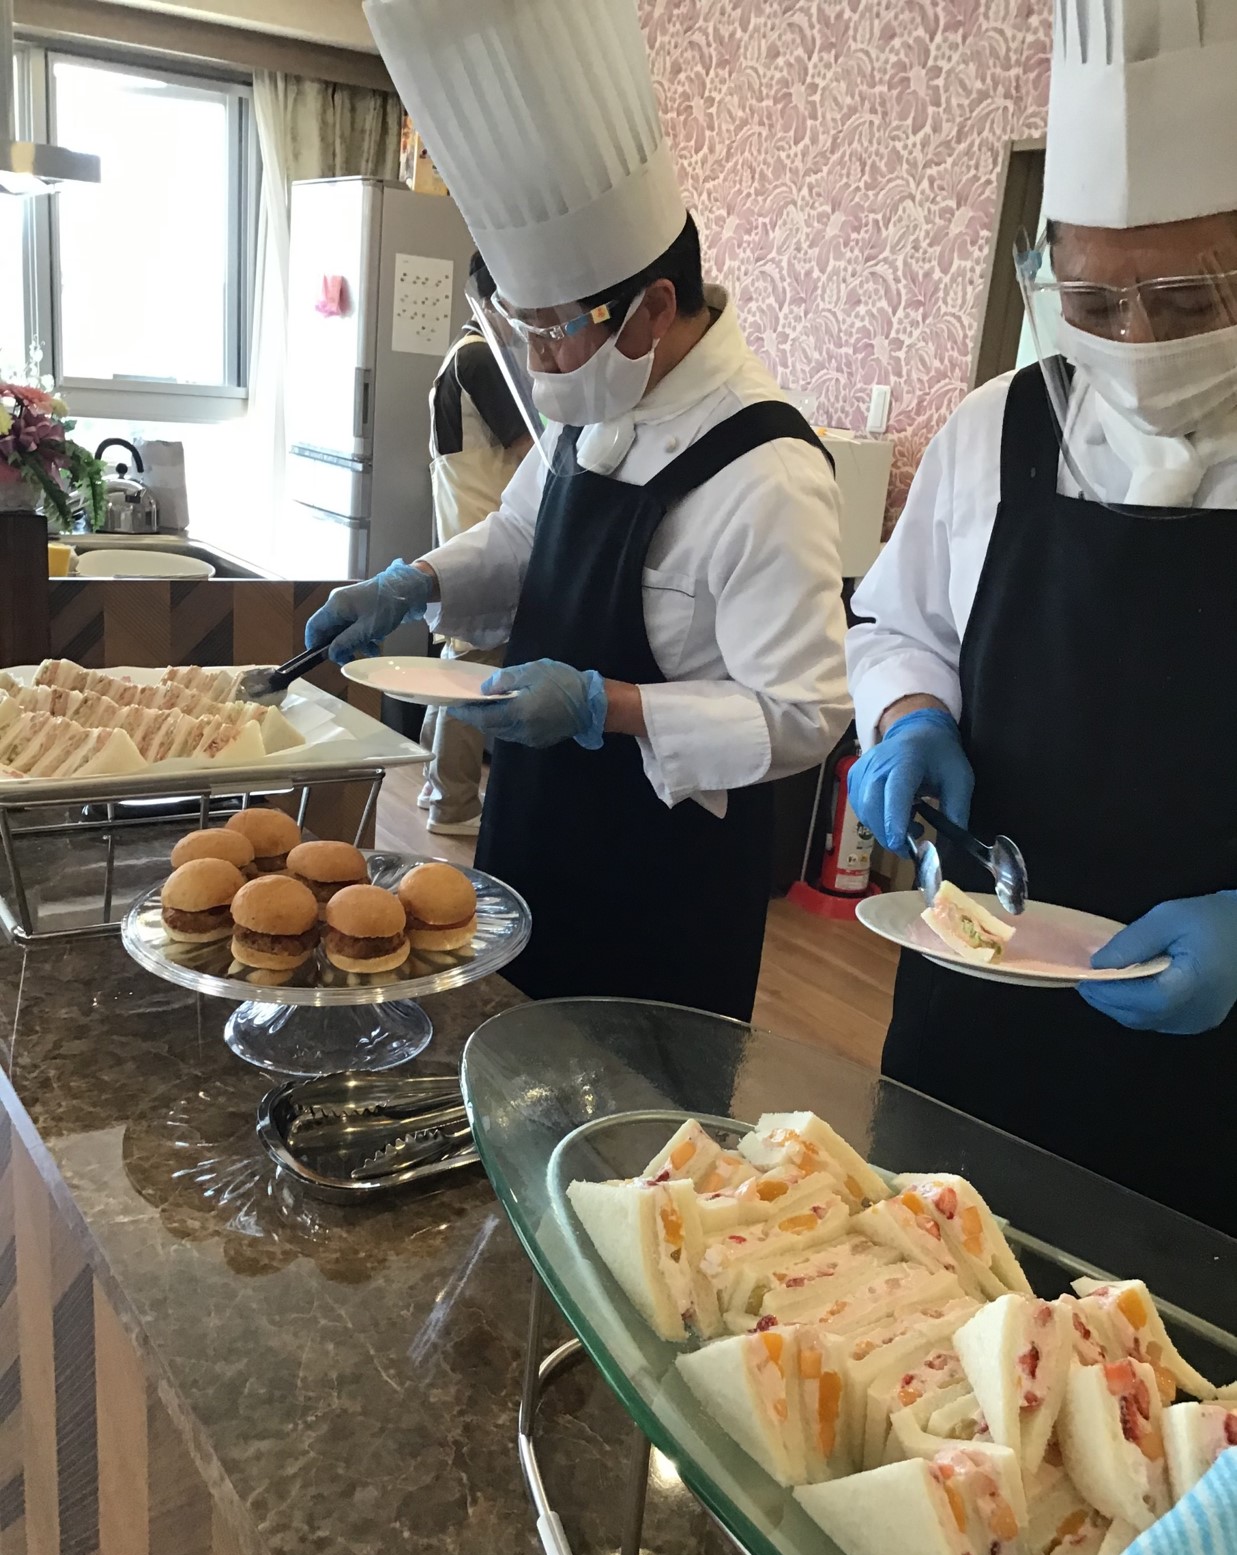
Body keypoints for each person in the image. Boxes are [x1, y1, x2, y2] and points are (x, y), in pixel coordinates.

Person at [308, 0, 850, 1021]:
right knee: (506, 1045)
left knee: (634, 1105)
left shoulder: (768, 469)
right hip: (533, 825)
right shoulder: (593, 402)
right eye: (522, 330)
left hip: (664, 877)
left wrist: (611, 709)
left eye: (554, 330)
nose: (540, 360)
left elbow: (803, 715)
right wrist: (413, 582)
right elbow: (523, 536)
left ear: (653, 308)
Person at [846, 0, 1237, 1234]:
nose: (1134, 342)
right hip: (972, 1006)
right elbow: (898, 624)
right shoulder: (996, 427)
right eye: (1093, 303)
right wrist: (911, 720)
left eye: (1184, 302)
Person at [419, 251, 532, 837]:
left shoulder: (459, 355)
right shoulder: (483, 358)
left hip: (462, 522)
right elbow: (530, 451)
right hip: (485, 524)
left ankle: (432, 781)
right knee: (475, 667)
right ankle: (455, 802)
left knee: (456, 659)